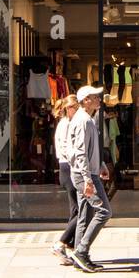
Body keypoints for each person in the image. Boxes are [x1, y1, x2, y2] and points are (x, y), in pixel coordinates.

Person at [64, 85, 111, 273]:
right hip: (85, 175)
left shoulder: (87, 119)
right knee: (103, 212)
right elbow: (80, 153)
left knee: (85, 215)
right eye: (95, 97)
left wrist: (100, 165)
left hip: (87, 173)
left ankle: (79, 256)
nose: (99, 99)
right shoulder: (84, 121)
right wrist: (88, 179)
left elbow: (89, 151)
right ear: (85, 101)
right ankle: (81, 251)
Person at [51, 95, 80, 265]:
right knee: (83, 209)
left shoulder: (65, 124)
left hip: (66, 167)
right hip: (69, 167)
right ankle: (61, 243)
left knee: (76, 209)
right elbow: (67, 148)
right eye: (76, 108)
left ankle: (70, 246)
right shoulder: (66, 125)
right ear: (69, 109)